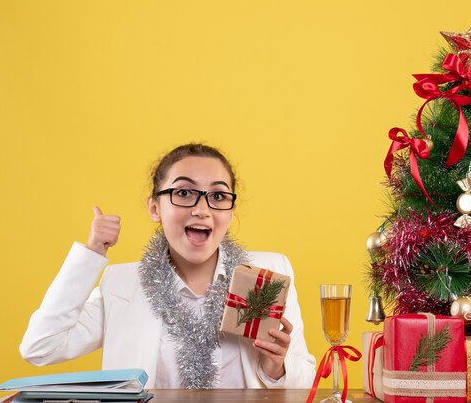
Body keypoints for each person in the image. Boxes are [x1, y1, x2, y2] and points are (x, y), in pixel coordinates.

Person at [20, 143, 316, 389]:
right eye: (184, 192)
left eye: (217, 196)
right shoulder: (122, 285)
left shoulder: (269, 275)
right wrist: (92, 253)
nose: (202, 210)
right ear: (154, 208)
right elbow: (42, 347)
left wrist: (275, 368)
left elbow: (306, 382)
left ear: (231, 210)